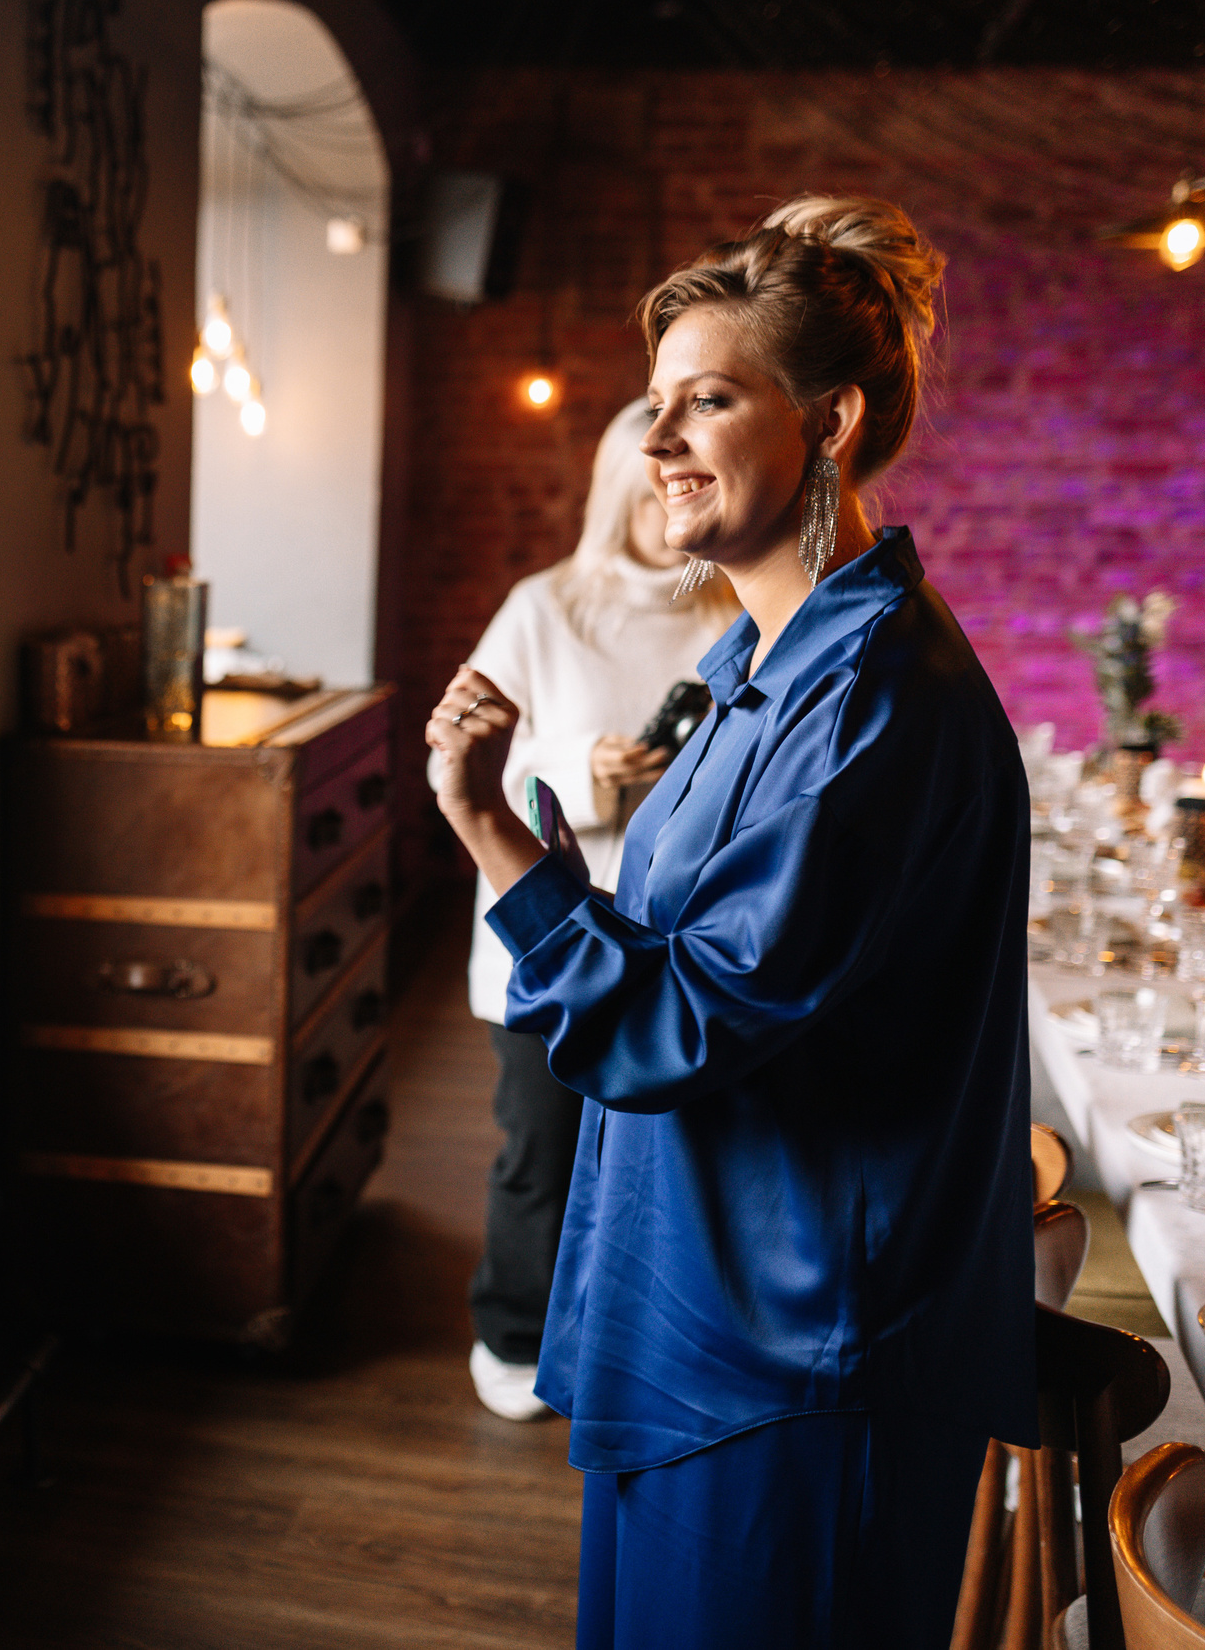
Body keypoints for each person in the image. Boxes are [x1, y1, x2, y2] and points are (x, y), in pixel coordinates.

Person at [425, 196, 1034, 1647]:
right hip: (690, 1306)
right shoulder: (759, 656)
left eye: (709, 398)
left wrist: (494, 831)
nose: (660, 440)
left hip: (801, 1354)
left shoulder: (878, 695)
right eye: (654, 405)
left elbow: (674, 1022)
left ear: (830, 420)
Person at [433, 401, 737, 1422]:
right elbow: (473, 769)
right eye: (654, 474)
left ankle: (620, 1329)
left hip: (672, 936)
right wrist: (583, 772)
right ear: (619, 486)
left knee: (655, 1155)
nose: (672, 492)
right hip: (547, 934)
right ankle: (512, 1334)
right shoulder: (542, 608)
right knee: (541, 1147)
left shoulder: (730, 614)